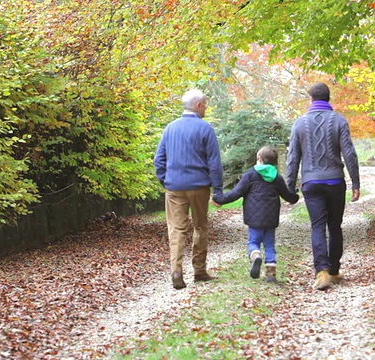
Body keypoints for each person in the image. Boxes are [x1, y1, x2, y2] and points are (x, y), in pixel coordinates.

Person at [286, 82, 360, 291]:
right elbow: (349, 153)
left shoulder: (299, 123)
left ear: (311, 99)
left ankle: (322, 272)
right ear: (328, 99)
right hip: (335, 181)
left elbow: (293, 157)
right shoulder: (339, 121)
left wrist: (290, 186)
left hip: (311, 183)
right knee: (335, 226)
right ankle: (335, 270)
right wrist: (355, 182)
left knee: (317, 226)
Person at [154, 89, 224, 290]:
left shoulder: (170, 128)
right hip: (200, 186)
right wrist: (217, 189)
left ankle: (176, 271)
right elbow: (214, 163)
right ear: (198, 105)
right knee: (200, 226)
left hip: (175, 187)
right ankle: (199, 271)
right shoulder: (205, 129)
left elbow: (159, 159)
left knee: (176, 229)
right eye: (206, 104)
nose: (207, 108)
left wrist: (166, 181)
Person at [213, 146, 299, 282]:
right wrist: (295, 197)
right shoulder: (277, 177)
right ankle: (271, 274)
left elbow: (236, 193)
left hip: (254, 218)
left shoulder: (250, 175)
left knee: (253, 242)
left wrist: (219, 199)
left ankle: (256, 255)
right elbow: (288, 195)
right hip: (271, 218)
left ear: (259, 158)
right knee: (270, 244)